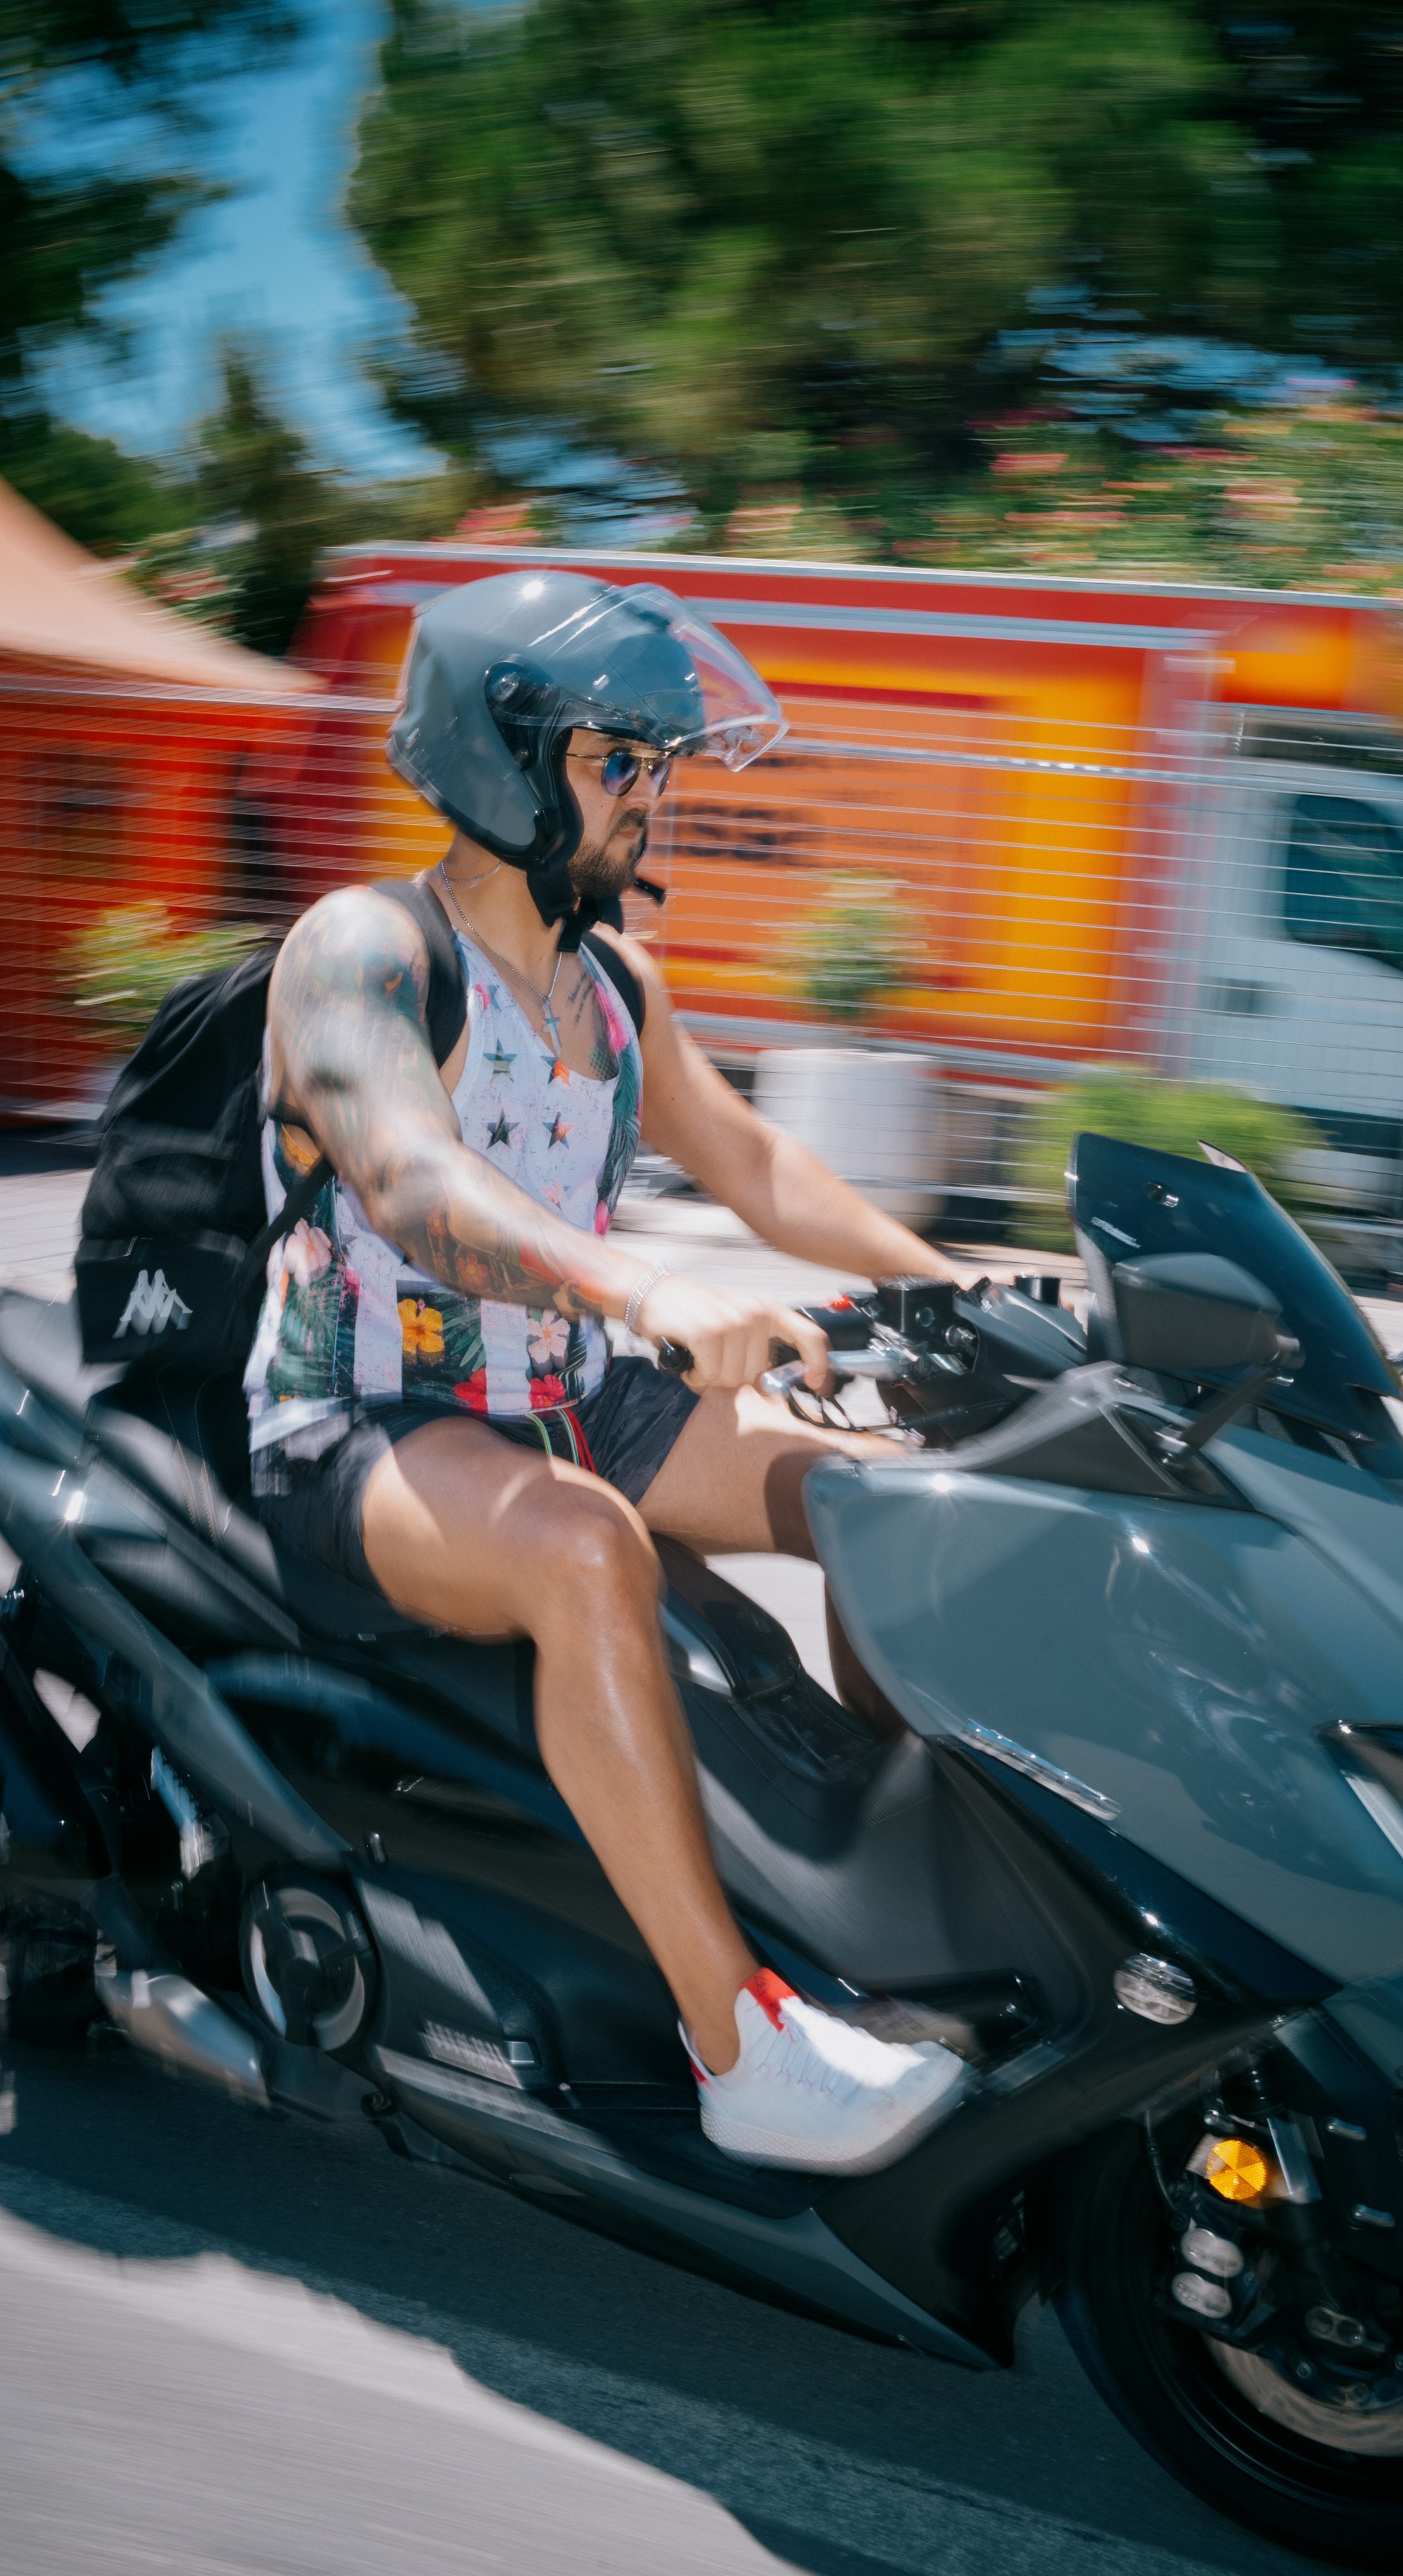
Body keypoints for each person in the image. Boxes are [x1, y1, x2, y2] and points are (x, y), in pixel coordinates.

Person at [244, 570, 970, 2174]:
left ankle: (922, 1926)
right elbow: (413, 1183)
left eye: (658, 763)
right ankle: (744, 2048)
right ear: (503, 761)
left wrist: (963, 1298)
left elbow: (761, 1161)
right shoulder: (362, 949)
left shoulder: (613, 986)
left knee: (880, 1502)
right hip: (366, 1420)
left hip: (573, 1392)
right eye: (616, 761)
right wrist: (637, 1278)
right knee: (588, 1549)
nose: (653, 797)